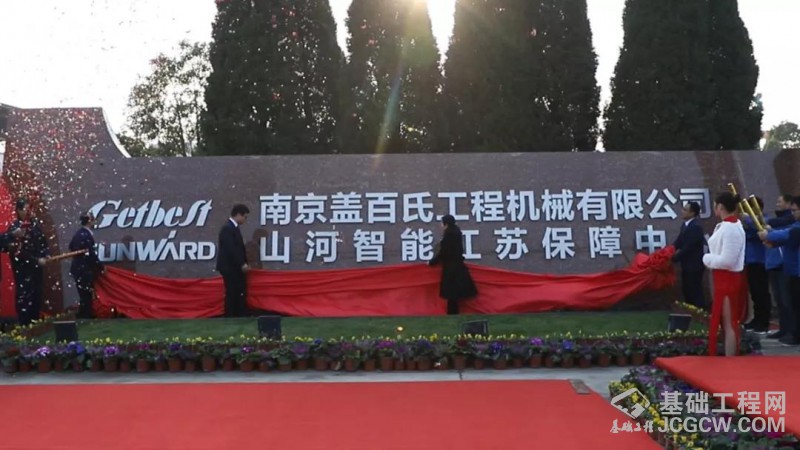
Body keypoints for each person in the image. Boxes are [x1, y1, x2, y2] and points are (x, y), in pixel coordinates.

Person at [702, 192, 746, 356]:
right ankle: (729, 356)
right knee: (726, 322)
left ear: (720, 207)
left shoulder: (731, 228)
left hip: (728, 279)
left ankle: (730, 359)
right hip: (721, 278)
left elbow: (728, 260)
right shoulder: (726, 225)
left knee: (729, 323)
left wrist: (707, 258)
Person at [759, 196, 800, 347]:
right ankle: (793, 333)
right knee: (792, 304)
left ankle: (796, 335)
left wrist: (769, 235)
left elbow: (788, 233)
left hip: (796, 271)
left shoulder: (796, 227)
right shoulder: (795, 224)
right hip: (792, 271)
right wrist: (773, 242)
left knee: (794, 305)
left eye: (795, 210)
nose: (793, 213)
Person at [5, 199, 49, 326]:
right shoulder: (15, 228)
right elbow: (18, 252)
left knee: (37, 295)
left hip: (37, 270)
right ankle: (25, 324)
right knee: (25, 296)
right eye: (25, 209)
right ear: (18, 210)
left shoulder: (35, 225)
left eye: (30, 209)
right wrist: (36, 260)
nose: (29, 212)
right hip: (23, 270)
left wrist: (46, 255)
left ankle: (35, 323)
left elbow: (43, 242)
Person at [428, 214, 477, 315]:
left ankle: (452, 312)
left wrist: (432, 262)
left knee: (451, 293)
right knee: (454, 293)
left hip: (451, 268)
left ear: (446, 224)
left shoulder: (449, 235)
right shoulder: (456, 232)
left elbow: (444, 252)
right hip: (457, 266)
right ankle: (453, 312)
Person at [742, 196, 771, 334]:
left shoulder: (764, 219)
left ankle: (764, 322)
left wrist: (748, 219)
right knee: (754, 293)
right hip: (751, 261)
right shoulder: (748, 223)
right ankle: (757, 319)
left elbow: (759, 229)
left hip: (761, 261)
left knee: (762, 293)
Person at [216, 204, 250, 318]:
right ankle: (230, 315)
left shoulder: (234, 228)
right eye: (245, 217)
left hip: (234, 267)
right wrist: (241, 264)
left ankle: (239, 314)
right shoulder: (227, 228)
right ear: (238, 214)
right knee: (232, 291)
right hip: (230, 267)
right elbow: (231, 249)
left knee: (238, 291)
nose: (245, 220)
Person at [69, 212, 103, 319]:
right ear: (89, 221)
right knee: (86, 294)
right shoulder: (85, 235)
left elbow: (71, 247)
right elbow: (91, 254)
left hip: (79, 268)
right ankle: (86, 315)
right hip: (83, 269)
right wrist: (100, 267)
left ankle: (84, 314)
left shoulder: (79, 234)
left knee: (84, 293)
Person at [672, 202, 706, 308]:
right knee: (687, 289)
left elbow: (688, 248)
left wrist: (673, 258)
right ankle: (691, 311)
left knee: (694, 290)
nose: (682, 211)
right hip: (686, 265)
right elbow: (678, 242)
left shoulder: (696, 227)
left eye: (685, 210)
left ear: (692, 213)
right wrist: (667, 252)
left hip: (694, 266)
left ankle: (700, 312)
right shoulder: (685, 225)